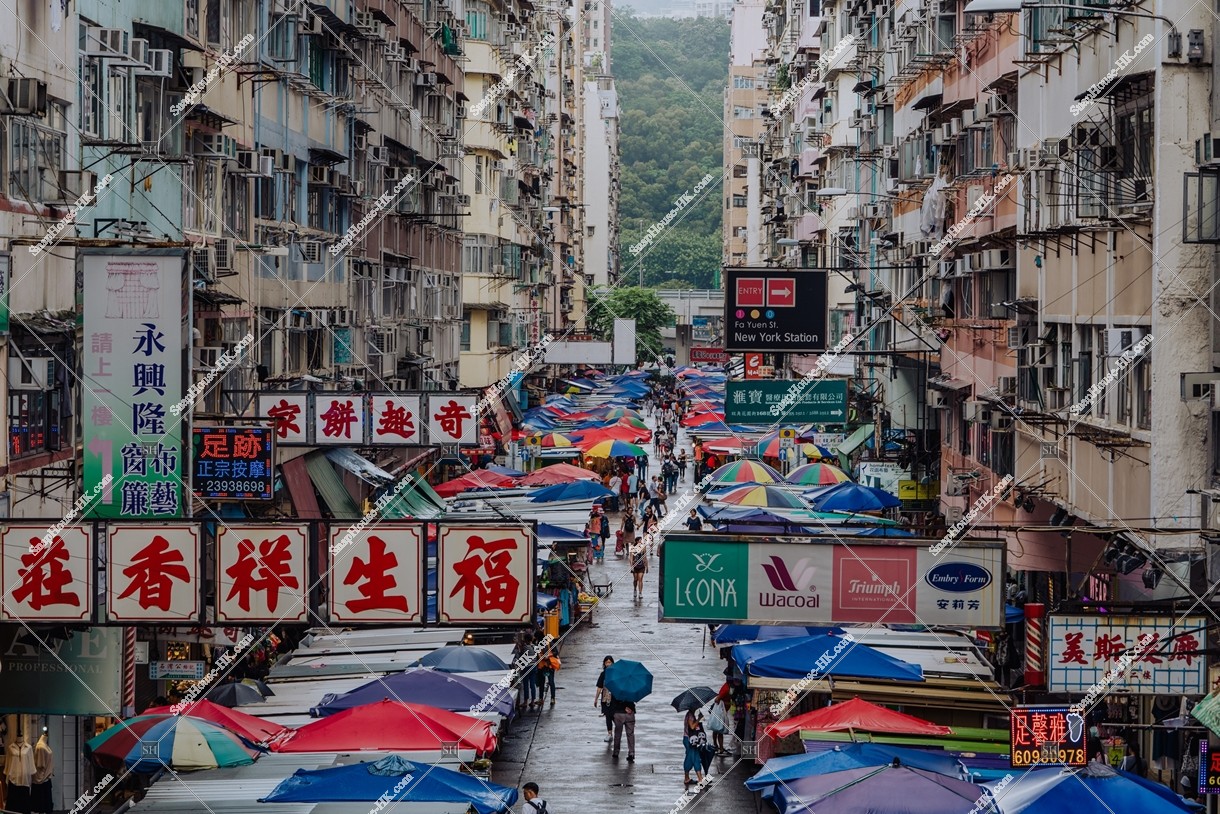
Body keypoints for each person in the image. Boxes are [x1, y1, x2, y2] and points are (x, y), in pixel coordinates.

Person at [683, 708, 707, 787]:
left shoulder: (690, 714)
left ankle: (687, 778)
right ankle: (700, 779)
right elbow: (692, 727)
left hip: (689, 740)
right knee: (695, 758)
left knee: (691, 758)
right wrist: (699, 719)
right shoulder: (690, 715)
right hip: (689, 740)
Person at [594, 656, 616, 742]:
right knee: (608, 716)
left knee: (615, 716)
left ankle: (618, 730)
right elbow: (599, 687)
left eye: (610, 662)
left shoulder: (616, 674)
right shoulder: (603, 674)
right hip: (605, 699)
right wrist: (596, 699)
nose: (608, 664)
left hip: (615, 699)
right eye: (606, 662)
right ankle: (610, 733)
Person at [610, 693, 637, 761]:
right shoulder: (632, 689)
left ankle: (616, 752)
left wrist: (612, 713)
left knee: (618, 734)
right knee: (630, 734)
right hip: (629, 713)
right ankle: (631, 753)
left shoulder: (616, 688)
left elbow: (612, 703)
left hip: (618, 713)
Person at [535, 641, 560, 706]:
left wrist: (548, 656)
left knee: (551, 682)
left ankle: (552, 698)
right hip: (542, 666)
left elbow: (556, 652)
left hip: (549, 666)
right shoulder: (538, 644)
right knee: (541, 683)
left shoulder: (550, 643)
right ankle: (541, 698)